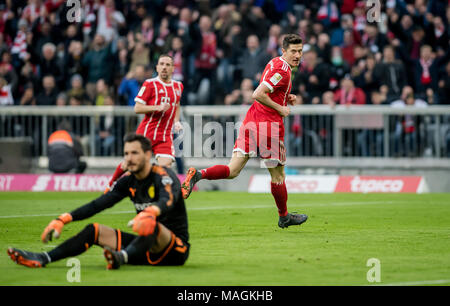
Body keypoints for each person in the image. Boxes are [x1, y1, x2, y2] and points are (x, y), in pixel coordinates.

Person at [7, 133, 190, 269]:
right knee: (94, 230)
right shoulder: (128, 181)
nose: (129, 158)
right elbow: (98, 204)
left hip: (175, 250)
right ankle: (43, 258)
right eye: (126, 153)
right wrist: (64, 219)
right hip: (145, 248)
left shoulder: (163, 175)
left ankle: (121, 257)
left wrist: (151, 212)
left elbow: (169, 200)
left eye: (134, 153)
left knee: (150, 222)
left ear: (148, 154)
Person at [181, 34, 308, 229]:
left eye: (300, 51)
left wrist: (284, 98)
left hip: (251, 122)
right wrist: (281, 108)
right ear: (284, 51)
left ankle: (198, 174)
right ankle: (284, 216)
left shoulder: (276, 63)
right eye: (293, 51)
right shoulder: (283, 71)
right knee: (278, 176)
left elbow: (269, 90)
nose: (298, 55)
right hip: (269, 127)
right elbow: (258, 93)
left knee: (233, 170)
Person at [106, 54, 184, 191]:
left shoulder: (178, 86)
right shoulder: (150, 84)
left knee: (165, 169)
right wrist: (157, 107)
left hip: (164, 136)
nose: (164, 67)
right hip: (147, 133)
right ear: (157, 67)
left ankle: (160, 199)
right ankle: (112, 183)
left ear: (173, 68)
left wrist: (176, 121)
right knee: (129, 164)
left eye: (168, 65)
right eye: (162, 64)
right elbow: (137, 108)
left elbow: (176, 104)